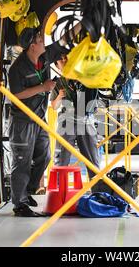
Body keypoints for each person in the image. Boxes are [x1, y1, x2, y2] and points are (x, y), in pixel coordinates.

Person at [8, 25, 81, 217]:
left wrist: (84, 21)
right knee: (22, 162)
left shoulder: (44, 57)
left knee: (45, 156)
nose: (43, 42)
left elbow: (64, 40)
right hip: (22, 121)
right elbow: (16, 95)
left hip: (39, 118)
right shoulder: (17, 69)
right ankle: (19, 204)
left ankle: (28, 190)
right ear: (32, 46)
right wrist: (43, 87)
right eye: (40, 40)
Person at [50, 55, 104, 192]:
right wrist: (59, 96)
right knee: (61, 158)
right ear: (57, 66)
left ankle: (97, 192)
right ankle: (58, 193)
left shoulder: (83, 78)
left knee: (92, 158)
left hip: (86, 119)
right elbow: (54, 106)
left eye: (66, 58)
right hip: (67, 121)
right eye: (60, 60)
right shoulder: (58, 83)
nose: (64, 61)